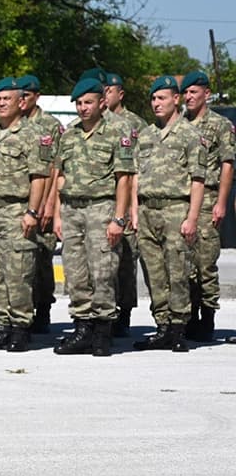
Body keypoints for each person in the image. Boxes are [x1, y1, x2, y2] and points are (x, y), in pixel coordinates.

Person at [52, 78, 135, 356]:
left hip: (102, 208)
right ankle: (82, 327)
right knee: (75, 272)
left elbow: (124, 179)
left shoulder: (116, 133)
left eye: (88, 102)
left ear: (102, 103)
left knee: (103, 271)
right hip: (72, 209)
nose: (83, 108)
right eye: (79, 103)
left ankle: (102, 331)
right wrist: (57, 216)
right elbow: (59, 177)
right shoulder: (70, 135)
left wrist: (119, 218)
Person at [0, 78, 48, 352]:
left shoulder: (31, 135)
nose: (2, 104)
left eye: (7, 99)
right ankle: (1, 326)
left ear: (21, 102)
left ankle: (20, 327)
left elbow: (38, 177)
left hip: (16, 211)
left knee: (19, 273)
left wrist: (32, 212)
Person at [132, 76, 205, 352]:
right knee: (154, 273)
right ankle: (161, 325)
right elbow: (137, 175)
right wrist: (135, 212)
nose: (155, 103)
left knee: (177, 271)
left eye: (161, 98)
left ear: (176, 99)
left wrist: (192, 218)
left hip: (176, 208)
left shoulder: (189, 135)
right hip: (148, 209)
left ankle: (178, 327)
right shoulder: (147, 134)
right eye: (153, 99)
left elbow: (197, 179)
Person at [180, 71, 234, 341]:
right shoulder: (180, 123)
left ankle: (207, 317)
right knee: (184, 262)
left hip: (209, 198)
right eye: (185, 93)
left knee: (205, 263)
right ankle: (188, 315)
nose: (188, 97)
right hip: (183, 200)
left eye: (193, 92)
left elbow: (227, 164)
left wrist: (221, 203)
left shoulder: (219, 125)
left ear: (206, 94)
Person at [18, 74, 63, 333]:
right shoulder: (13, 123)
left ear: (36, 96)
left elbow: (54, 168)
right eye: (19, 95)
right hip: (18, 203)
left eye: (26, 95)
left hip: (42, 201)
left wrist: (48, 204)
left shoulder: (49, 125)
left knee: (42, 258)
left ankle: (43, 309)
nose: (21, 100)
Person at [103, 71, 147, 335]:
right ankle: (103, 315)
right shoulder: (95, 123)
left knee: (126, 263)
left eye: (110, 90)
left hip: (125, 201)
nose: (106, 94)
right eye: (103, 90)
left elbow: (136, 169)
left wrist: (133, 208)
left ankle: (124, 313)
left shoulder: (135, 124)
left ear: (120, 93)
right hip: (100, 201)